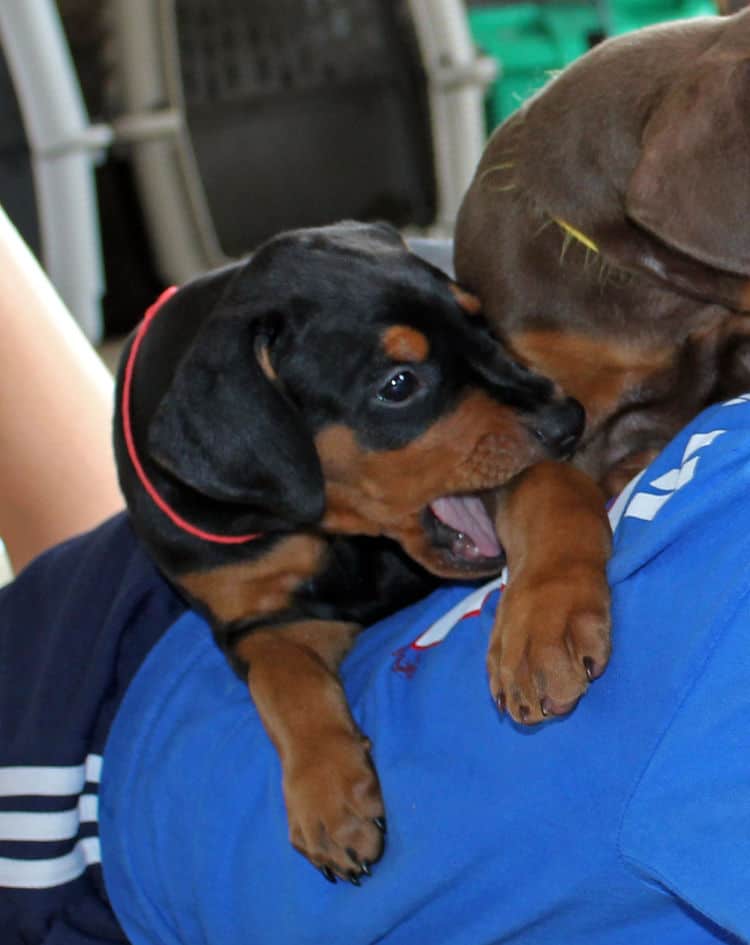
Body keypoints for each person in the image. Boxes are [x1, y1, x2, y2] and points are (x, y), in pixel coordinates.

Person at [1, 213, 749, 944]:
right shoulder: (235, 494)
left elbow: (536, 476)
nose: (554, 413)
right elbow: (265, 633)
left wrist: (556, 560)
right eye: (399, 383)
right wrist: (309, 734)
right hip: (92, 733)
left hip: (130, 774)